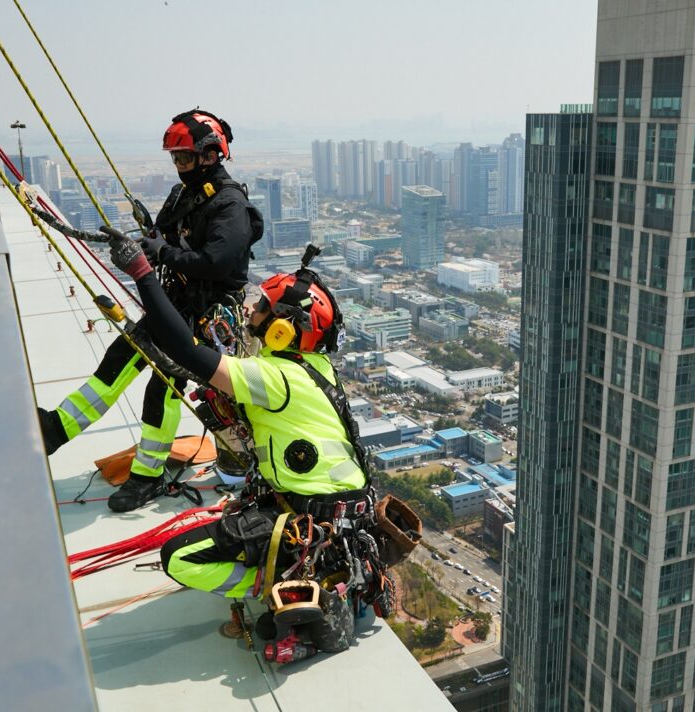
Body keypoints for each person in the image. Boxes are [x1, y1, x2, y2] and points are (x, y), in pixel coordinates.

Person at [105, 233, 421, 660]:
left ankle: (276, 586)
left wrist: (143, 273)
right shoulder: (314, 365)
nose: (251, 310)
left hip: (311, 516)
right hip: (338, 515)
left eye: (261, 307)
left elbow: (186, 350)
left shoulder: (274, 378)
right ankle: (319, 577)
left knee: (179, 558)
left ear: (280, 328)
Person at [37, 109, 263, 513]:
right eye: (175, 159)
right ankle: (53, 430)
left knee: (162, 391)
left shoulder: (230, 206)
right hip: (175, 303)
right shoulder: (185, 196)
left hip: (203, 316)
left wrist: (162, 252)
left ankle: (147, 474)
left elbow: (215, 262)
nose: (179, 167)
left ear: (211, 155)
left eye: (185, 158)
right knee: (118, 363)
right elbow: (165, 234)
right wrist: (151, 241)